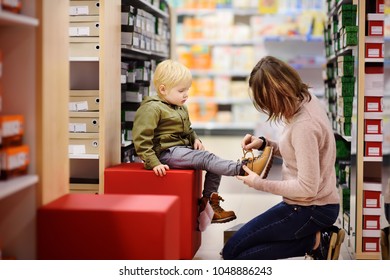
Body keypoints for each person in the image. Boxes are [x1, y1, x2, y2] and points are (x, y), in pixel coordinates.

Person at [222, 55, 345, 260]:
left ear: (280, 94)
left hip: (311, 209)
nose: (269, 109)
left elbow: (307, 188)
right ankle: (311, 240)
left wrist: (259, 183)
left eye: (268, 102)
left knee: (234, 254)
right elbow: (298, 151)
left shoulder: (304, 126)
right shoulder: (305, 99)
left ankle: (316, 241)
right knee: (235, 248)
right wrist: (265, 144)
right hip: (308, 204)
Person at [132, 59, 274, 226]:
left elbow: (188, 129)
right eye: (181, 90)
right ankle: (244, 168)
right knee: (207, 159)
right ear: (163, 89)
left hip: (179, 150)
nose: (186, 95)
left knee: (213, 164)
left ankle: (209, 206)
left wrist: (195, 139)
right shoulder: (152, 108)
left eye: (188, 90)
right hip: (165, 154)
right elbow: (141, 139)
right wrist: (154, 162)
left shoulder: (179, 107)